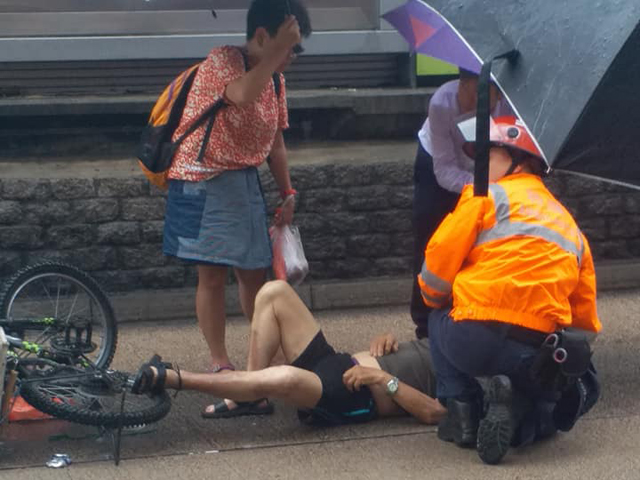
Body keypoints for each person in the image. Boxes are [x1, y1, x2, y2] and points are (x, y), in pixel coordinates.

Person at [418, 115, 602, 465]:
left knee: (438, 313)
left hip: (472, 337)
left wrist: (440, 299)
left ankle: (463, 412)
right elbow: (583, 325)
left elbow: (434, 279)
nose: (479, 164)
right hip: (537, 353)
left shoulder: (484, 197)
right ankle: (519, 410)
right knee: (544, 410)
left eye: (489, 154)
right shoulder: (567, 222)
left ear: (519, 160)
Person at [162, 1, 312, 374]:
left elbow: (275, 143)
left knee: (254, 270)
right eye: (291, 45)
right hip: (202, 177)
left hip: (242, 177)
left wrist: (288, 192)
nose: (293, 55)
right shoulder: (221, 61)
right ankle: (219, 361)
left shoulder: (276, 79)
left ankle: (261, 358)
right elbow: (241, 94)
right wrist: (275, 54)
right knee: (212, 274)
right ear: (263, 36)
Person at [131, 280, 446, 425]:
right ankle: (250, 394)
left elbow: (436, 413)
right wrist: (387, 340)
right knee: (274, 292)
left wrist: (381, 376)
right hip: (340, 361)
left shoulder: (481, 369)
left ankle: (171, 378)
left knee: (281, 377)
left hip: (352, 396)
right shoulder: (455, 331)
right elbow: (413, 356)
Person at [411, 69, 512, 339]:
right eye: (471, 95)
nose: (478, 106)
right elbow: (444, 170)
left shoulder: (506, 106)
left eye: (486, 101)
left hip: (483, 170)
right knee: (432, 238)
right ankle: (424, 325)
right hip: (436, 165)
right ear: (462, 84)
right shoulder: (442, 102)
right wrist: (481, 187)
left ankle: (473, 317)